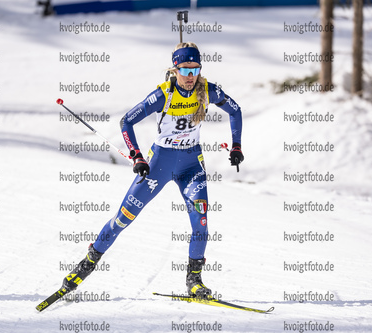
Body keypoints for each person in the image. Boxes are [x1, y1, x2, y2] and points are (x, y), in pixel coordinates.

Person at [61, 42, 244, 298]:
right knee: (123, 218)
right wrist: (137, 156)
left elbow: (235, 111)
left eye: (195, 70)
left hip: (191, 166)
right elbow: (126, 121)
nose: (190, 77)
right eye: (185, 70)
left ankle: (194, 281)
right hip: (159, 165)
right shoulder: (163, 95)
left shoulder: (208, 91)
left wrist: (236, 146)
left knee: (200, 222)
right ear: (175, 69)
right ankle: (86, 265)